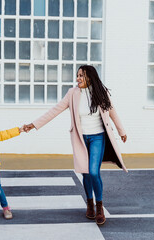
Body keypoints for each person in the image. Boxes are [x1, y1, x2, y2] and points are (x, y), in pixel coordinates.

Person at [24, 65, 127, 225]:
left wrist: (121, 131)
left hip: (98, 137)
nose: (78, 78)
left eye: (81, 76)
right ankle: (90, 204)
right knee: (85, 173)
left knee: (93, 172)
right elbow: (55, 110)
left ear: (90, 78)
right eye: (77, 75)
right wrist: (34, 124)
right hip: (80, 138)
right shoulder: (72, 94)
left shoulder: (100, 93)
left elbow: (112, 111)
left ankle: (99, 207)